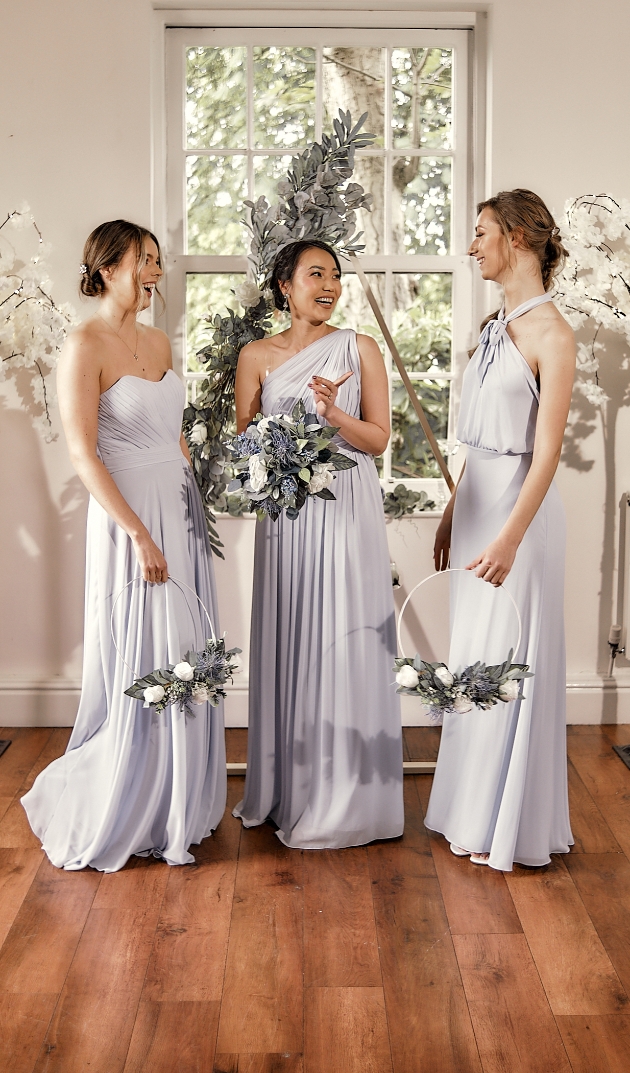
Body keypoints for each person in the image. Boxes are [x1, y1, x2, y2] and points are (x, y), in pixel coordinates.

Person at [21, 220, 226, 871]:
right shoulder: (85, 344)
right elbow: (83, 452)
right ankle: (129, 800)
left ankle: (178, 796)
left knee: (188, 647)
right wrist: (138, 530)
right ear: (108, 265)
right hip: (129, 515)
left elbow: (173, 432)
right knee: (146, 647)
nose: (155, 272)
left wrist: (198, 496)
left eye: (158, 262)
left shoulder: (160, 339)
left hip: (181, 507)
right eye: (145, 259)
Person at [233, 239, 404, 849]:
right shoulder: (253, 357)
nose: (329, 285)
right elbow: (246, 444)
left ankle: (344, 795)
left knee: (340, 637)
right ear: (285, 285)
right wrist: (272, 456)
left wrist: (333, 415)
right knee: (292, 634)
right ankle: (286, 790)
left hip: (346, 511)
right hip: (286, 517)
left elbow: (380, 440)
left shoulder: (360, 348)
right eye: (315, 275)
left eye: (335, 275)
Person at [425, 189, 576, 871]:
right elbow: (478, 442)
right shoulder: (492, 329)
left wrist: (511, 535)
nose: (471, 244)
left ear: (517, 238)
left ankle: (505, 818)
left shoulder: (554, 335)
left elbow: (546, 453)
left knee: (509, 660)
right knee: (473, 659)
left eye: (481, 232)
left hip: (521, 518)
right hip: (477, 507)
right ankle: (467, 808)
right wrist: (456, 507)